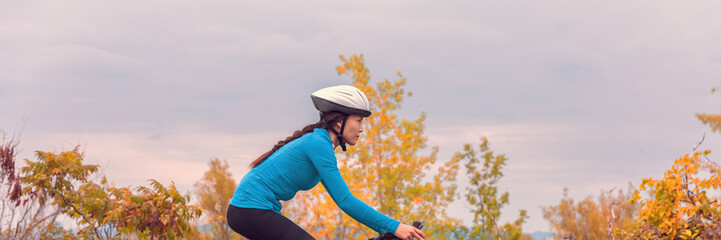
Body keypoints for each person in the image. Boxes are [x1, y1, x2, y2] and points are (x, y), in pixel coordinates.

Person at [227, 85, 426, 240]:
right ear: (340, 122)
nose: (361, 129)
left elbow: (341, 200)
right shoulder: (318, 144)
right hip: (249, 208)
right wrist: (394, 227)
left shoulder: (321, 146)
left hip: (252, 210)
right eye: (358, 121)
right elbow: (346, 200)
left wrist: (386, 230)